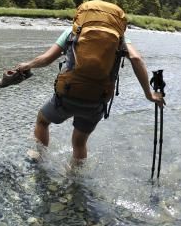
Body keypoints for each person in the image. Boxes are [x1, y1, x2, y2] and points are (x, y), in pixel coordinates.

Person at [14, 25, 165, 162]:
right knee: (79, 143)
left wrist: (27, 65)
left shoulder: (72, 32)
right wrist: (149, 94)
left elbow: (46, 59)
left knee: (42, 121)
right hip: (97, 99)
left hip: (68, 94)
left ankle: (39, 159)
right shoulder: (120, 38)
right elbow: (136, 59)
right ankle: (74, 181)